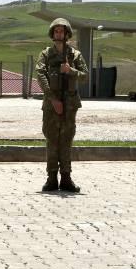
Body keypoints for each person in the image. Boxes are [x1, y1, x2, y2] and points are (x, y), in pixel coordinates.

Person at [35, 18, 88, 192]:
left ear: (67, 34)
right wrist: (53, 99)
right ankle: (51, 177)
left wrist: (70, 70)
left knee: (66, 141)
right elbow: (40, 75)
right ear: (52, 33)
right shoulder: (46, 54)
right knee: (52, 140)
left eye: (62, 31)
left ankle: (66, 177)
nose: (59, 34)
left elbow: (85, 76)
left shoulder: (75, 55)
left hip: (70, 104)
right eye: (56, 31)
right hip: (52, 104)